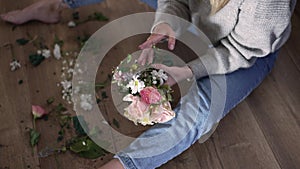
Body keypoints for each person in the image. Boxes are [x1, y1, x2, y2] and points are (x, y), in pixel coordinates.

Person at [2, 0, 296, 169]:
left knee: (202, 109)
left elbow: (241, 51)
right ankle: (57, 3)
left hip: (245, 53)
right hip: (201, 24)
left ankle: (123, 165)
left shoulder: (267, 4)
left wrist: (188, 70)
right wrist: (165, 24)